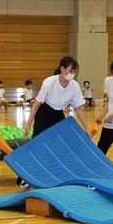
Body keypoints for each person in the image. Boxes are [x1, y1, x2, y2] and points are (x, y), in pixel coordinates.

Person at [21, 56, 91, 188]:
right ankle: (26, 177)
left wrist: (86, 128)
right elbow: (36, 104)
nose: (72, 74)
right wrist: (28, 124)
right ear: (62, 68)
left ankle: (52, 175)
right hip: (44, 113)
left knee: (58, 146)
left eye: (74, 72)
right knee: (37, 145)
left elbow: (79, 109)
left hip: (58, 115)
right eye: (70, 71)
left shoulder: (75, 86)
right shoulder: (49, 82)